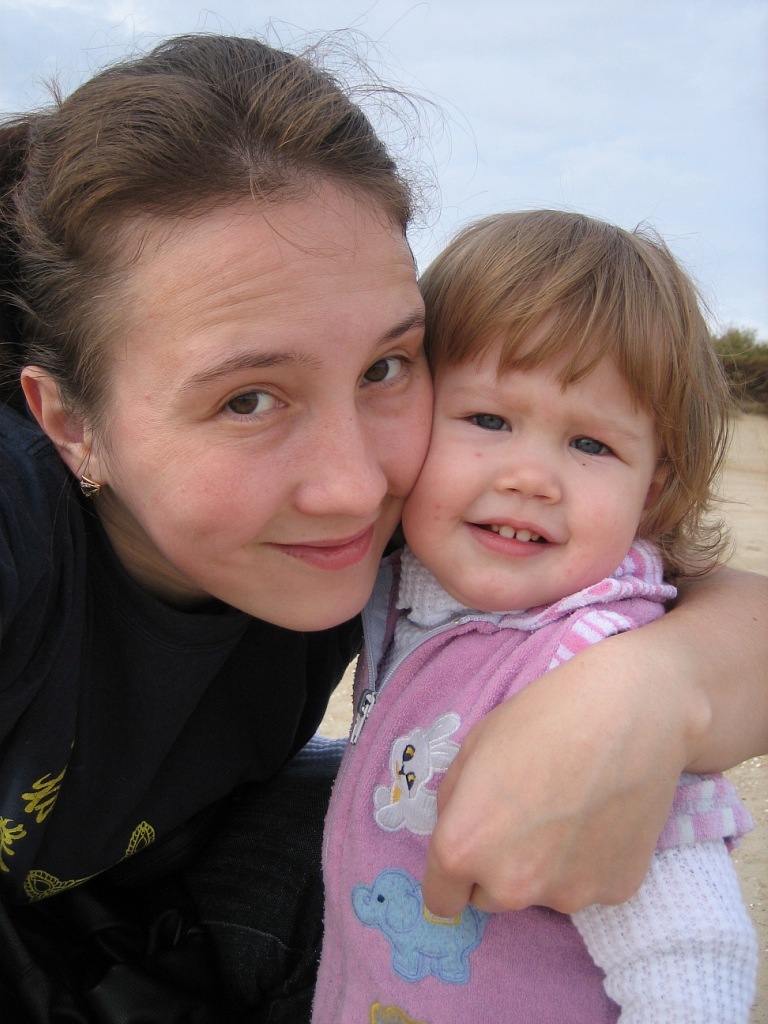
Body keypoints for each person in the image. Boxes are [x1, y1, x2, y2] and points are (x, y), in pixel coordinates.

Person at [0, 33, 765, 1023]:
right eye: (248, 399)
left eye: (385, 368)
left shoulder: (416, 522)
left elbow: (727, 610)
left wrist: (650, 692)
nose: (358, 485)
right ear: (70, 423)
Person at [313, 210, 760, 1024]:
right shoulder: (407, 587)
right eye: (489, 420)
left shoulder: (590, 670)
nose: (532, 477)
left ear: (651, 490)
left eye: (591, 445)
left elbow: (689, 956)